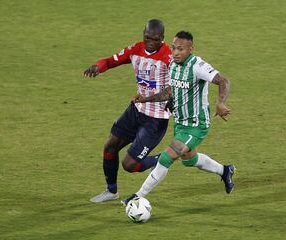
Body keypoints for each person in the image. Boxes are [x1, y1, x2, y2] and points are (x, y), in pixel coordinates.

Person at [121, 31, 235, 205]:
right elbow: (170, 91)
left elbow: (223, 81)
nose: (175, 52)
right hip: (181, 124)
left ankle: (138, 196)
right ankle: (225, 170)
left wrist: (220, 103)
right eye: (174, 48)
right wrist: (146, 98)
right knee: (190, 160)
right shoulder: (173, 65)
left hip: (196, 125)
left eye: (180, 49)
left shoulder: (198, 65)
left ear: (190, 49)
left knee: (167, 158)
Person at [83, 19, 172, 203]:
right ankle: (111, 191)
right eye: (147, 37)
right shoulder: (135, 49)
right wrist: (98, 67)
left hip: (155, 119)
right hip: (136, 110)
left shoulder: (168, 58)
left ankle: (161, 160)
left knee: (130, 165)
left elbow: (173, 89)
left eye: (154, 39)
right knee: (110, 147)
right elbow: (111, 61)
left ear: (162, 38)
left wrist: (167, 100)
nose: (149, 42)